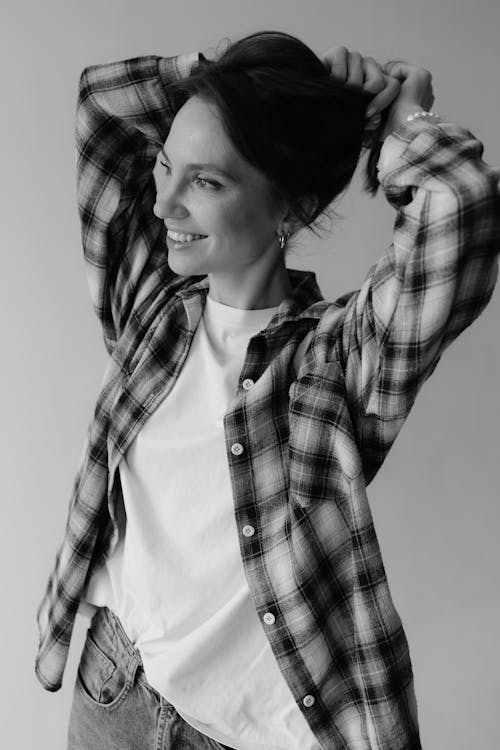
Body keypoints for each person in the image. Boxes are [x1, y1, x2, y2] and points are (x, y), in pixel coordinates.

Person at [35, 30, 499, 750]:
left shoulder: (336, 359)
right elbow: (101, 108)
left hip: (250, 734)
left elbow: (461, 213)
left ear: (290, 209)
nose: (164, 206)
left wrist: (404, 119)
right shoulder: (150, 306)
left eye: (206, 183)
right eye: (165, 168)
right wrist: (215, 76)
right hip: (115, 687)